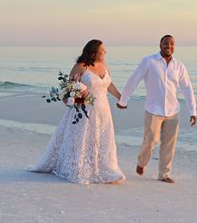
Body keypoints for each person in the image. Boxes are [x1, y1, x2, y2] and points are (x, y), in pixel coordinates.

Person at [27, 39, 126, 184]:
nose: (105, 52)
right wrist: (78, 95)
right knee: (82, 138)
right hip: (85, 109)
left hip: (103, 109)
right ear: (94, 52)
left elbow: (109, 85)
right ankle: (78, 167)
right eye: (102, 50)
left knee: (102, 138)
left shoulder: (103, 66)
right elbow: (68, 90)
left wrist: (121, 98)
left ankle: (104, 167)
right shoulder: (80, 66)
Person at [117, 35, 197, 183]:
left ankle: (164, 174)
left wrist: (193, 110)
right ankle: (142, 162)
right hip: (153, 110)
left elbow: (187, 88)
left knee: (169, 144)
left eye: (172, 43)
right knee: (151, 139)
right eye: (166, 43)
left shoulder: (179, 66)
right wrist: (123, 100)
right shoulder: (149, 61)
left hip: (173, 111)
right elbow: (134, 79)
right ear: (160, 45)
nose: (169, 45)